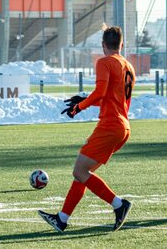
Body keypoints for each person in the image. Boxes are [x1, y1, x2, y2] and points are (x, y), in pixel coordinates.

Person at [38, 24, 135, 232]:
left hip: (110, 125)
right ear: (121, 44)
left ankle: (119, 204)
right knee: (84, 173)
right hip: (123, 127)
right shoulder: (128, 65)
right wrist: (84, 99)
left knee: (80, 170)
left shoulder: (105, 62)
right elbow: (111, 98)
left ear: (103, 45)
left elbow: (100, 92)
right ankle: (62, 218)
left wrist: (78, 108)